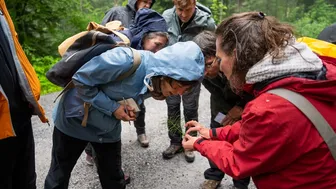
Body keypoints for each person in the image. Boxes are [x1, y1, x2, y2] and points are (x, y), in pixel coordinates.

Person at [182, 12, 336, 189]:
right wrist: (213, 133)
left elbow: (238, 161)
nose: (219, 66)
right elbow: (254, 127)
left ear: (236, 55)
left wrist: (200, 143)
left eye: (219, 58)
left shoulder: (268, 108)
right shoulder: (303, 73)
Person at [44, 41, 205, 189]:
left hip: (106, 129)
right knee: (59, 176)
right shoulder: (126, 60)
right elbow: (81, 80)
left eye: (184, 90)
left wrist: (129, 109)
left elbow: (127, 93)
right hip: (74, 120)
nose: (178, 94)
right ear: (166, 73)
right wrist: (113, 108)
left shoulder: (155, 80)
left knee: (114, 179)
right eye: (178, 87)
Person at [84, 8, 169, 166]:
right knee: (95, 126)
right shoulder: (121, 50)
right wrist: (115, 107)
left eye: (162, 47)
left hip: (113, 102)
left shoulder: (142, 49)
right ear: (144, 36)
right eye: (157, 44)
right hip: (91, 102)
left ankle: (109, 168)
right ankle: (94, 155)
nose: (158, 51)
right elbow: (87, 81)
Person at [193, 31, 251, 189]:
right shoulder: (204, 71)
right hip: (220, 109)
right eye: (201, 66)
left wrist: (240, 107)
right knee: (215, 137)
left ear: (219, 54)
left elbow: (254, 91)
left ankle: (240, 183)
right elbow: (216, 93)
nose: (205, 71)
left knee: (241, 144)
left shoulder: (239, 63)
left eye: (209, 64)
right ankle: (214, 174)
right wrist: (227, 114)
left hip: (244, 110)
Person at [0, 1, 48, 189]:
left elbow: (14, 53)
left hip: (19, 111)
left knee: (26, 177)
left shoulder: (2, 9)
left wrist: (27, 91)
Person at [162, 0, 216, 163]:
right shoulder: (166, 17)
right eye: (180, 9)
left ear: (194, 2)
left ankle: (189, 142)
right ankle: (175, 142)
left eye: (188, 9)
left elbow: (213, 47)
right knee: (172, 108)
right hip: (170, 74)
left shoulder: (206, 21)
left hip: (192, 76)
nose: (183, 14)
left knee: (190, 109)